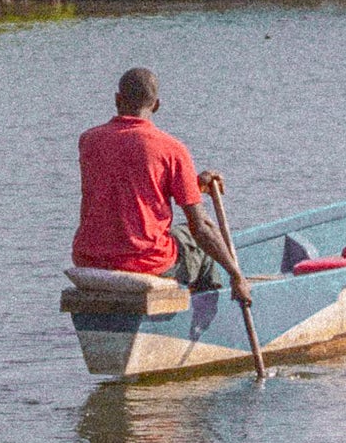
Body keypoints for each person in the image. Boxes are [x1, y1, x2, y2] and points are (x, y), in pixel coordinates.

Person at [72, 66, 252, 305]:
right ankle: (206, 316)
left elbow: (125, 185)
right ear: (156, 105)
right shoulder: (171, 149)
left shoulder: (89, 141)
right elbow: (201, 227)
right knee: (200, 244)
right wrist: (236, 275)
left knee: (182, 234)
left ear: (117, 100)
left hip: (89, 258)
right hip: (145, 261)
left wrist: (193, 185)